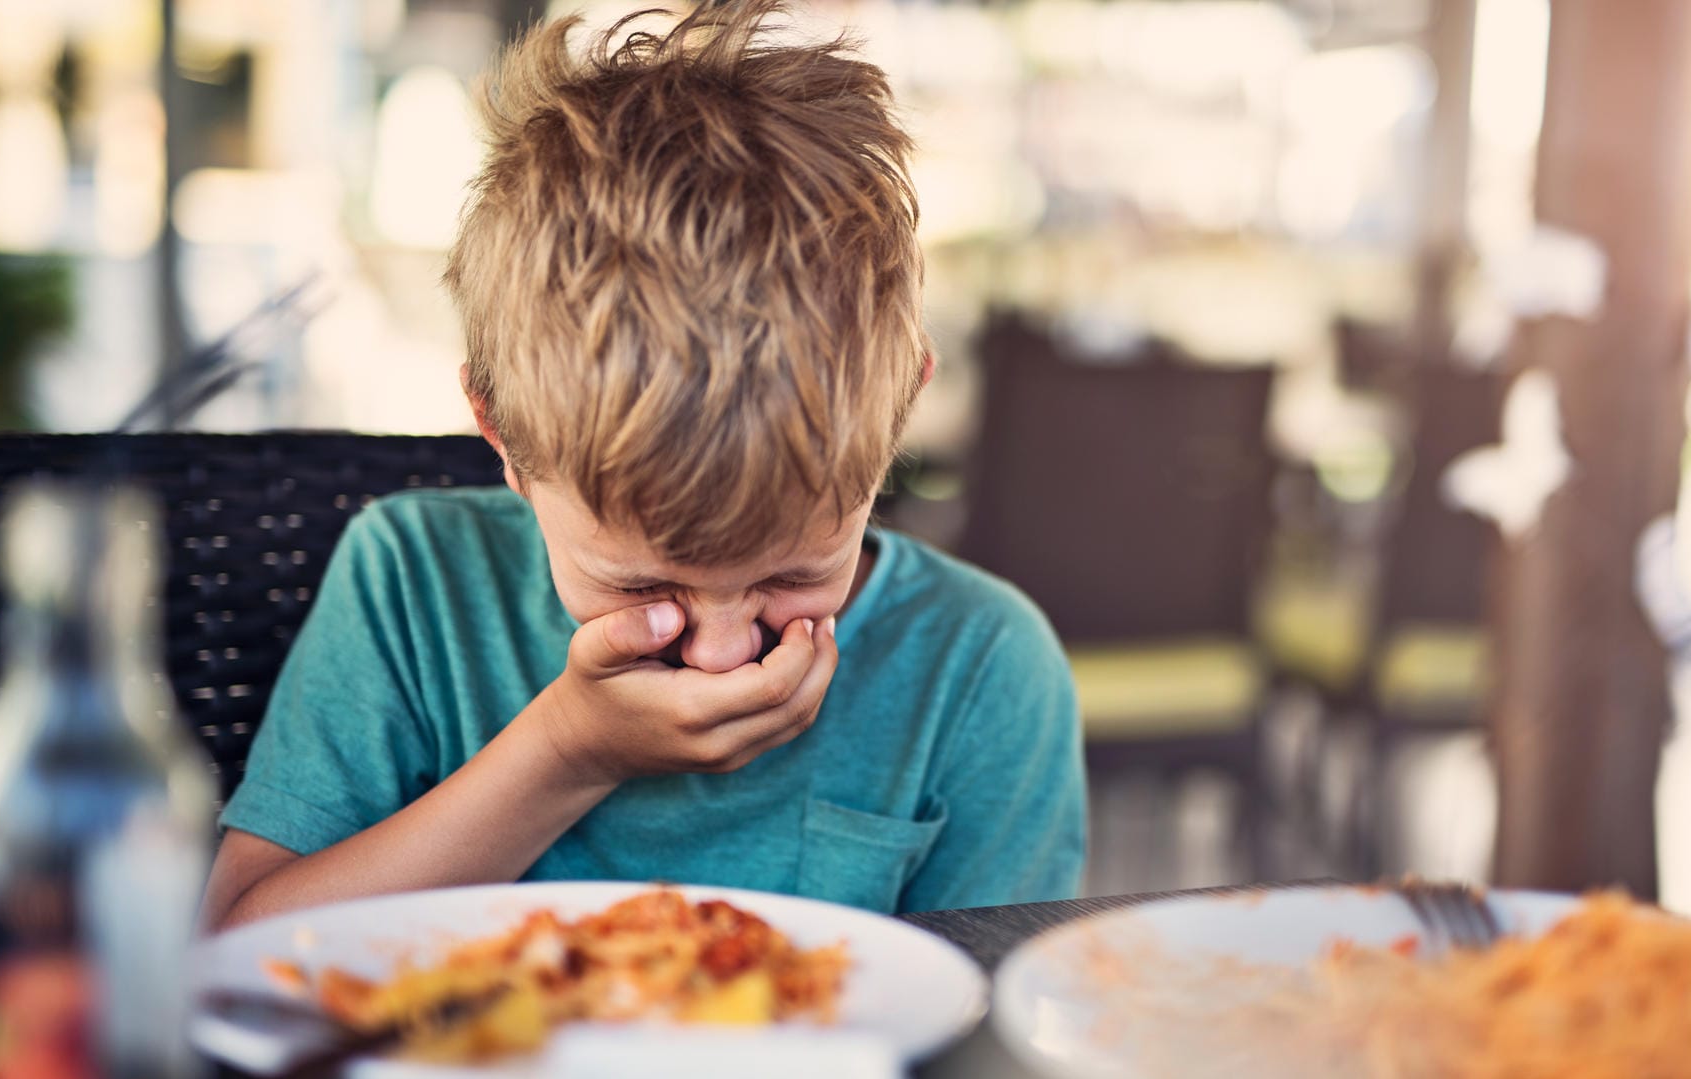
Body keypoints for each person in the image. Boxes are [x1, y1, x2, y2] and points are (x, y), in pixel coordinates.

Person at [200, 0, 1084, 928]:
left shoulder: (977, 668)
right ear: (500, 432)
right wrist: (569, 750)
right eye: (641, 585)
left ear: (900, 407)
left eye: (790, 573)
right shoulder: (412, 584)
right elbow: (237, 944)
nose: (719, 651)